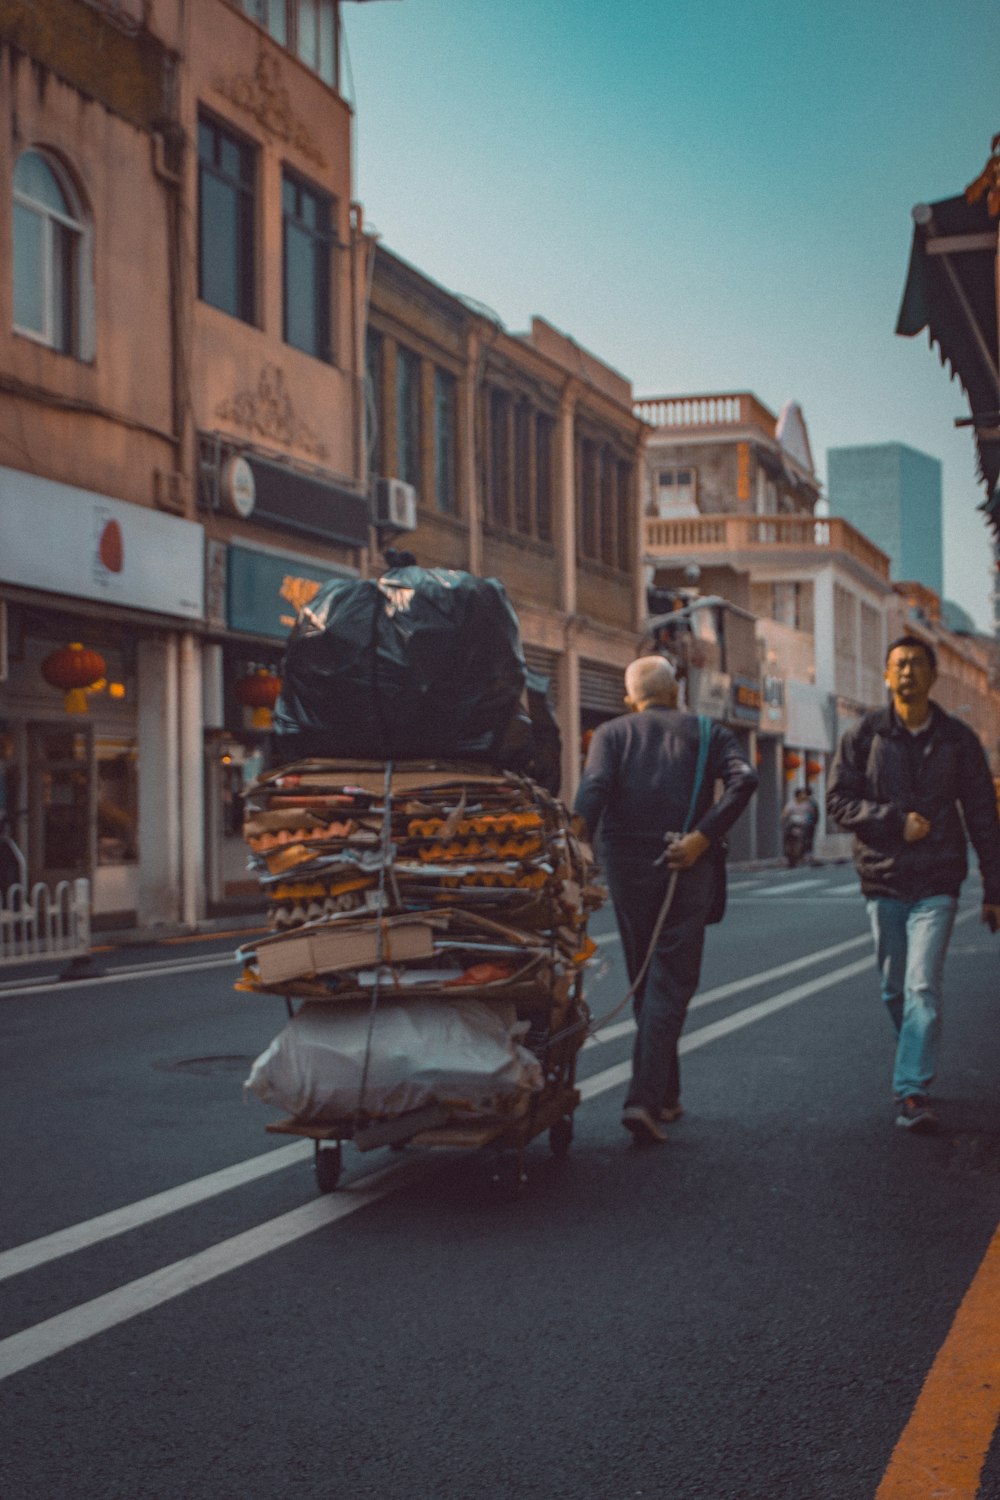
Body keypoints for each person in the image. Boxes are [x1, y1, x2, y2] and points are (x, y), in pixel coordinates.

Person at [572, 655, 758, 1144]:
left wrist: (572, 855)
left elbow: (592, 792)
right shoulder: (709, 731)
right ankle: (644, 1099)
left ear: (631, 697)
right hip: (686, 862)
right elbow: (746, 779)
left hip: (627, 869)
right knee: (670, 985)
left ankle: (666, 1093)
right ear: (676, 689)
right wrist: (702, 837)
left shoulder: (611, 734)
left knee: (646, 978)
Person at [826, 634, 1000, 1132]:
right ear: (887, 676)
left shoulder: (958, 740)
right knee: (893, 989)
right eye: (899, 664)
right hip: (883, 879)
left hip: (938, 880)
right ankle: (915, 1058)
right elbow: (839, 802)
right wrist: (892, 820)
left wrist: (995, 889)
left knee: (922, 986)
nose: (907, 672)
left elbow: (984, 816)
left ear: (932, 675)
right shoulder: (863, 735)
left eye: (917, 664)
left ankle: (911, 1090)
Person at [781, 785, 819, 864]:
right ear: (798, 795)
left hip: (803, 823)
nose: (804, 796)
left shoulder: (807, 804)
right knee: (786, 835)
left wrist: (811, 820)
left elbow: (812, 812)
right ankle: (787, 852)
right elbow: (785, 813)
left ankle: (803, 852)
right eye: (802, 794)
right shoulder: (791, 803)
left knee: (805, 837)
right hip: (793, 824)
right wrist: (783, 818)